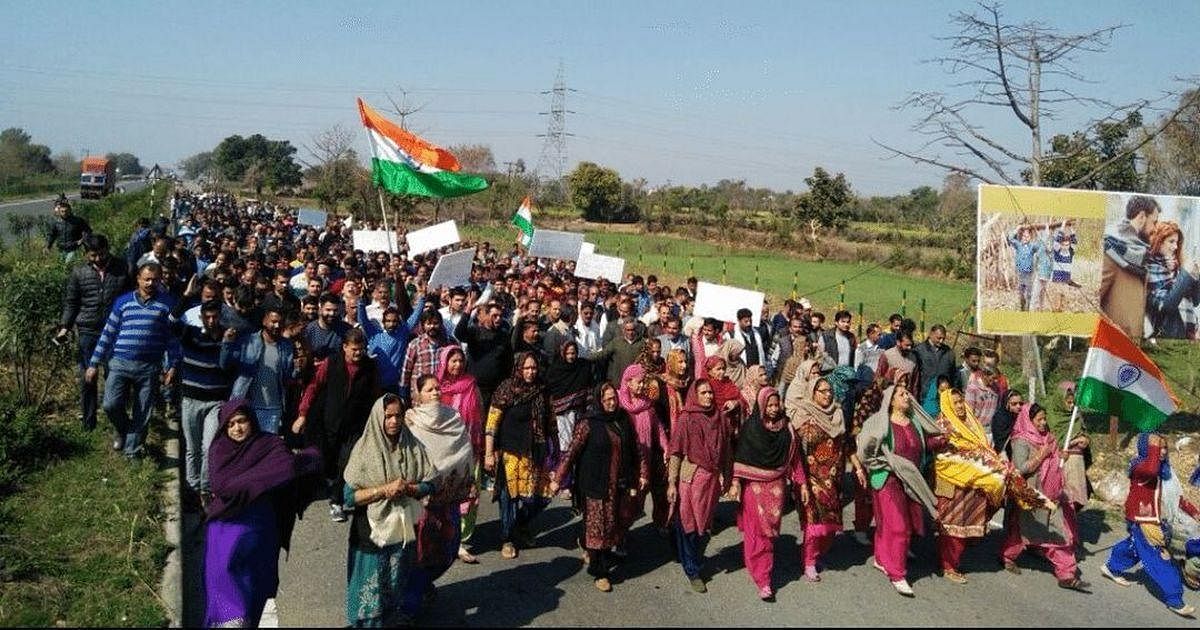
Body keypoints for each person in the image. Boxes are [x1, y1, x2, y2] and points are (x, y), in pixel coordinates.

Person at [204, 399, 321, 628]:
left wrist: (250, 482)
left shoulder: (268, 444)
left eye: (242, 421)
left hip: (259, 535)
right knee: (226, 600)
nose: (237, 428)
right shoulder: (219, 450)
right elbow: (221, 486)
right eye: (231, 424)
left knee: (254, 596)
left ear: (252, 420)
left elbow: (287, 468)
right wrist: (262, 480)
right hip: (225, 534)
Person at [342, 394, 438, 627]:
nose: (394, 421)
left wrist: (411, 488)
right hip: (371, 533)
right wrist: (384, 490)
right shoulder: (365, 449)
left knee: (394, 585)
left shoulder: (412, 445)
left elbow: (431, 483)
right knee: (369, 592)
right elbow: (348, 496)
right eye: (388, 417)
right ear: (378, 418)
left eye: (398, 416)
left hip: (402, 531)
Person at [551, 382, 645, 593]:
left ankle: (589, 546)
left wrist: (640, 475)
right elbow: (572, 452)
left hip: (618, 483)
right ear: (599, 401)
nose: (612, 403)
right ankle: (599, 571)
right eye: (607, 400)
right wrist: (558, 478)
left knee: (612, 524)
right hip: (594, 483)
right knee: (598, 527)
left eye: (614, 398)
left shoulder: (623, 419)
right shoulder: (588, 423)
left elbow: (635, 448)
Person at [856, 377, 944, 597]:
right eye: (902, 394)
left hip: (911, 480)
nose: (907, 397)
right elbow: (866, 450)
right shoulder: (880, 423)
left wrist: (943, 440)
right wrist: (885, 465)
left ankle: (881, 558)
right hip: (888, 479)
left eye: (907, 394)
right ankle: (897, 574)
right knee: (898, 526)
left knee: (893, 524)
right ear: (891, 400)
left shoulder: (915, 421)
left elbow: (925, 445)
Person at [85, 262, 180, 459]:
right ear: (138, 278)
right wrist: (94, 363)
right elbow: (108, 333)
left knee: (143, 411)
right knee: (110, 404)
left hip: (149, 366)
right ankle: (124, 429)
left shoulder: (167, 304)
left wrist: (172, 365)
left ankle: (132, 451)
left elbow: (172, 338)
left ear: (160, 280)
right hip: (119, 362)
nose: (150, 283)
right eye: (146, 279)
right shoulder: (123, 302)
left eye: (155, 280)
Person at [1101, 433, 1197, 617]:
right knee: (1159, 558)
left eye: (1163, 447)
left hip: (1152, 519)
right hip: (1143, 520)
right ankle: (1175, 599)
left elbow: (1176, 496)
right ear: (1147, 448)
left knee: (1134, 547)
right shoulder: (1139, 466)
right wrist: (1152, 444)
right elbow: (1150, 471)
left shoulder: (1163, 469)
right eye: (1156, 447)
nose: (1161, 451)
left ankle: (1112, 567)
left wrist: (1194, 512)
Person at [404, 376, 477, 612]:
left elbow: (464, 451)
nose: (435, 392)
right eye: (429, 389)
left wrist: (467, 482)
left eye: (437, 388)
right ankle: (410, 604)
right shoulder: (411, 421)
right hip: (421, 504)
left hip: (448, 501)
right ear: (418, 395)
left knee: (447, 549)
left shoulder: (453, 417)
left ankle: (424, 584)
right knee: (421, 553)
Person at [1001, 403, 1090, 592]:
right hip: (1031, 495)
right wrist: (1042, 455)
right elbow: (1020, 468)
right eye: (1039, 419)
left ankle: (1066, 574)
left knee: (1058, 532)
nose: (1043, 423)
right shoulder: (1021, 440)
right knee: (1022, 531)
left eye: (1044, 418)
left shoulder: (1047, 437)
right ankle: (1007, 556)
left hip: (1051, 494)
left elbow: (1055, 460)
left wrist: (1061, 456)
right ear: (1029, 420)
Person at [296, 328, 381, 523]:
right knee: (328, 461)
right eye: (354, 349)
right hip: (330, 422)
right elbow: (313, 386)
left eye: (361, 349)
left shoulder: (370, 367)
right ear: (344, 347)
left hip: (356, 425)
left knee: (347, 461)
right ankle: (327, 484)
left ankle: (337, 501)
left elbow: (376, 395)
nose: (358, 353)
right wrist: (302, 414)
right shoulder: (331, 363)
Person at [788, 376, 864, 583]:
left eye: (830, 391)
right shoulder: (804, 415)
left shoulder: (837, 414)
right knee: (813, 523)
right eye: (822, 391)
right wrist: (798, 478)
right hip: (810, 478)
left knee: (831, 524)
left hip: (834, 478)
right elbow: (793, 449)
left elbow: (848, 443)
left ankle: (816, 554)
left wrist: (857, 468)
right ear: (812, 393)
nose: (828, 394)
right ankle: (809, 562)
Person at [733, 386, 806, 601]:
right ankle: (763, 579)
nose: (774, 409)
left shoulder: (787, 430)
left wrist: (802, 486)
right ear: (762, 405)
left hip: (776, 488)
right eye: (770, 405)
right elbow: (741, 457)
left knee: (769, 534)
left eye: (777, 404)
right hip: (753, 488)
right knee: (757, 532)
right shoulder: (752, 428)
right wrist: (736, 483)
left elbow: (795, 461)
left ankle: (758, 566)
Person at [484, 352, 555, 559]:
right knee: (509, 499)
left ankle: (521, 524)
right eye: (527, 368)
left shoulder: (542, 389)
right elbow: (492, 423)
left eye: (533, 368)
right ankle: (507, 538)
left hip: (535, 451)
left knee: (541, 497)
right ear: (518, 369)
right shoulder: (506, 389)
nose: (531, 372)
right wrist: (489, 453)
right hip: (510, 452)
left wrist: (555, 449)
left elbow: (550, 420)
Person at [57, 234, 130, 432]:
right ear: (86, 254)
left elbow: (130, 297)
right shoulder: (79, 272)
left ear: (107, 249)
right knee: (87, 376)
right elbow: (72, 302)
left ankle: (116, 418)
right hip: (88, 330)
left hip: (115, 330)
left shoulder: (122, 268)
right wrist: (65, 326)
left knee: (114, 375)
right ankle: (88, 423)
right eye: (93, 255)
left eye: (101, 254)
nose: (97, 259)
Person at [667, 379, 733, 593]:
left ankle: (690, 557)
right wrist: (671, 483)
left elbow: (726, 452)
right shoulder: (686, 419)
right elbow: (676, 453)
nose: (708, 396)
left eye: (710, 393)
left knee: (703, 526)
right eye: (703, 393)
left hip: (710, 481)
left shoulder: (720, 418)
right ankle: (692, 569)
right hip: (691, 477)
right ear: (695, 395)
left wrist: (728, 477)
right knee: (689, 525)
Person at [435, 346, 485, 563]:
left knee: (469, 495)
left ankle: (460, 541)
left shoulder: (471, 385)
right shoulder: (437, 388)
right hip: (445, 453)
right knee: (444, 496)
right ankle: (443, 536)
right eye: (452, 360)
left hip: (470, 449)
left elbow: (480, 414)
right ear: (445, 362)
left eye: (460, 360)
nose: (457, 365)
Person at [618, 363, 670, 539]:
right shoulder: (619, 407)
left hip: (648, 458)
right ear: (628, 382)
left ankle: (661, 521)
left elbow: (659, 429)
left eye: (643, 382)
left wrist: (666, 447)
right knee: (630, 503)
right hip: (628, 463)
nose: (641, 386)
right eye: (638, 382)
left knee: (658, 492)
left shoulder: (648, 405)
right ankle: (621, 535)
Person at [228, 306, 295, 435]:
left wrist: (297, 369)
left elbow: (287, 377)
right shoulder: (249, 341)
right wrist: (227, 344)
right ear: (264, 321)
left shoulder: (287, 346)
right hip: (247, 406)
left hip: (273, 409)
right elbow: (229, 365)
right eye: (273, 322)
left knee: (265, 450)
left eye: (280, 323)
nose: (277, 326)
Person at [1101, 195, 1160, 338]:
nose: (1155, 229)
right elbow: (1092, 302)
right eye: (1154, 222)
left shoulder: (1140, 255)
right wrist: (1117, 334)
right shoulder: (1111, 251)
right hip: (1114, 349)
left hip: (1131, 350)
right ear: (1141, 217)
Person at [1144, 221, 1200, 340]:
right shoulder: (1150, 267)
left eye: (1177, 242)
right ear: (1158, 241)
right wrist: (1186, 274)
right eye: (1171, 241)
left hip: (1187, 334)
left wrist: (1196, 275)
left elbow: (1196, 300)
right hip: (1166, 336)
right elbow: (1166, 305)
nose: (1175, 247)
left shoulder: (1177, 266)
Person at [1007, 225, 1043, 311]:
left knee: (1029, 292)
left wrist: (1037, 232)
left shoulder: (1032, 247)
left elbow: (1040, 245)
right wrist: (1017, 229)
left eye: (1028, 236)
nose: (1026, 238)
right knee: (1021, 292)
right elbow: (1010, 238)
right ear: (1022, 236)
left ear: (1030, 237)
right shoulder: (1018, 245)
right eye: (1024, 236)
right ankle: (1022, 306)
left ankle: (1028, 308)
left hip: (1029, 273)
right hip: (1020, 273)